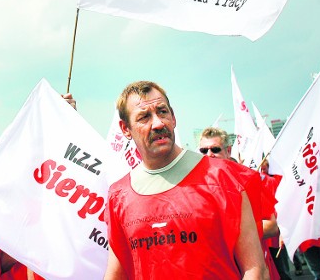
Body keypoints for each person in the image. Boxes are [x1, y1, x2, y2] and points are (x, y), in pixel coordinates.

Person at [104, 80, 268, 279]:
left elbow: (255, 269)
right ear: (125, 129)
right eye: (144, 117)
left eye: (162, 112)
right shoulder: (118, 195)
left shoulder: (225, 178)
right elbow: (116, 273)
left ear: (173, 117)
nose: (158, 123)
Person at [199, 129, 281, 279]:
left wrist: (230, 232)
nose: (209, 154)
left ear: (228, 150)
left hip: (253, 269)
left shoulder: (247, 179)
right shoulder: (196, 187)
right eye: (203, 150)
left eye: (215, 149)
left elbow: (272, 226)